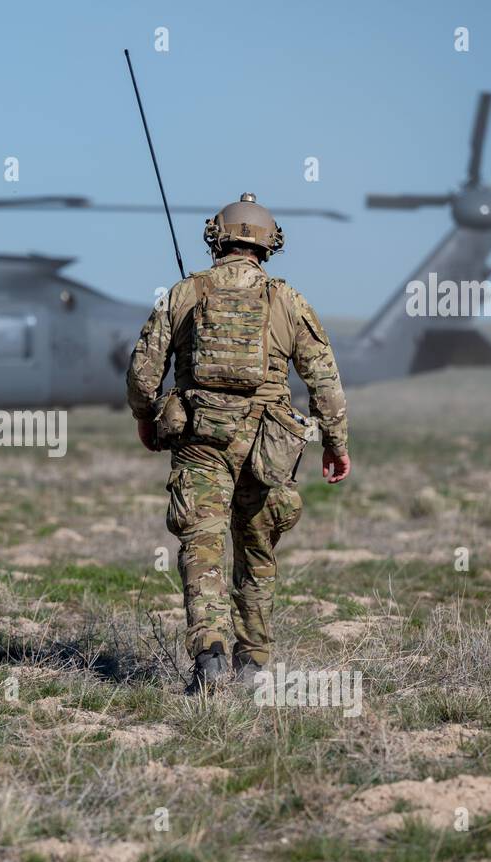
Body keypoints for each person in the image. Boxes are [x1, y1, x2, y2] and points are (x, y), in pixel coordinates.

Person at [126, 193, 351, 694]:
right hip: (267, 445)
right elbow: (325, 382)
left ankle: (208, 651)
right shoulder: (289, 301)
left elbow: (143, 372)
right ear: (270, 244)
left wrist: (146, 418)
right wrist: (335, 443)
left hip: (199, 440)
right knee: (256, 548)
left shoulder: (184, 293)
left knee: (201, 544)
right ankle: (253, 662)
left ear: (216, 237)